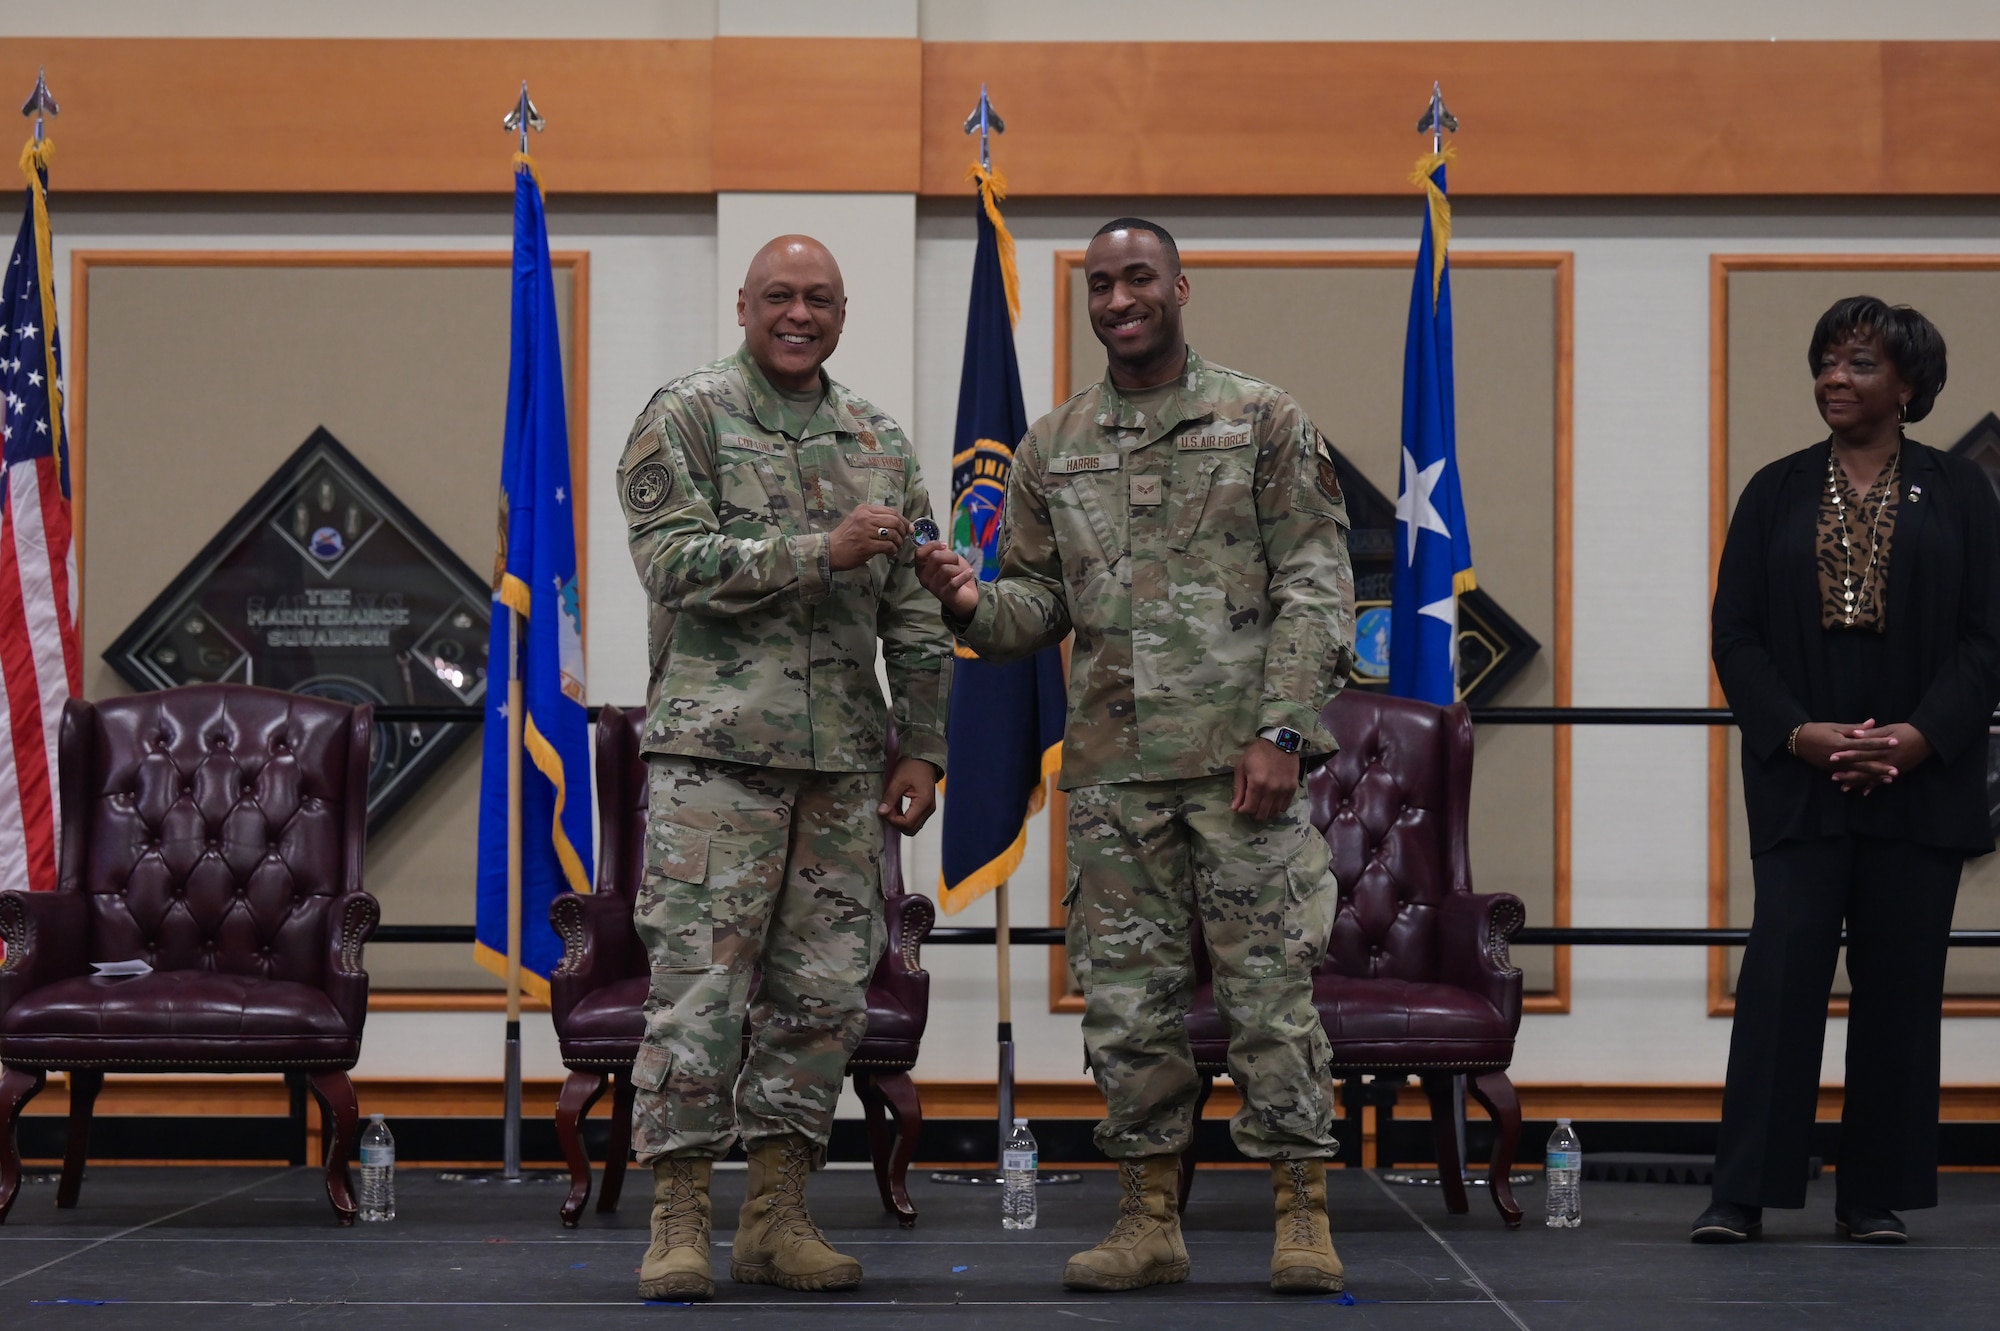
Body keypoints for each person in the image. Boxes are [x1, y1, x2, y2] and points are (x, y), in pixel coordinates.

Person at [915, 218, 1356, 1294]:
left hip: (1239, 769)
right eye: (1100, 283)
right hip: (1112, 775)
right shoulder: (1051, 443)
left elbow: (1315, 579)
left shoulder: (1261, 418)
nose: (1118, 298)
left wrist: (1282, 730)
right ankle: (1146, 1214)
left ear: (1179, 286)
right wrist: (968, 600)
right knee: (1127, 1006)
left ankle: (1300, 1211)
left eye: (1138, 278)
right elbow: (1032, 606)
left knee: (1269, 998)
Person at [615, 235, 952, 1301]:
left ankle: (775, 1212)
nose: (796, 314)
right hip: (716, 758)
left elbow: (917, 611)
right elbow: (667, 559)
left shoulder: (878, 438)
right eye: (778, 297)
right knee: (699, 989)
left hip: (844, 766)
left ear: (842, 312)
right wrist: (818, 550)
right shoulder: (688, 413)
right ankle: (677, 1217)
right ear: (744, 305)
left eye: (817, 298)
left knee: (821, 996)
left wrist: (925, 742)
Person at [1699, 296, 2000, 1246]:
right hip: (1801, 779)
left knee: (1901, 992)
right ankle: (1740, 1194)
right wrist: (1797, 733)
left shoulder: (1961, 493)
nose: (1836, 377)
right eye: (1827, 361)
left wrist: (1917, 737)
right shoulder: (1775, 490)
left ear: (1908, 384)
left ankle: (1873, 1194)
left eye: (1860, 363)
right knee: (1780, 983)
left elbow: (1988, 638)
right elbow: (1735, 635)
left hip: (1923, 781)